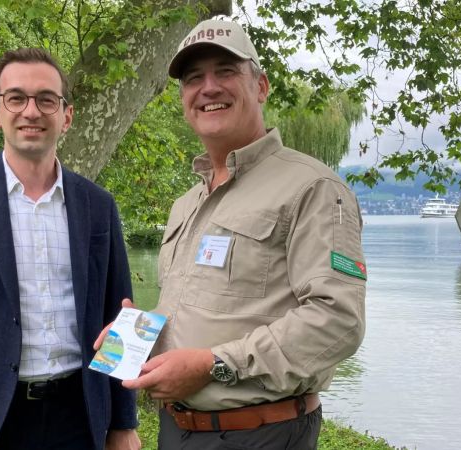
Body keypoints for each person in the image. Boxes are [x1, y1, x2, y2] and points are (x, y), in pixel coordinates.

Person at [116, 19, 367, 449]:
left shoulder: (313, 188)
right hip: (177, 432)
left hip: (260, 434)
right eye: (194, 78)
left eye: (225, 71)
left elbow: (338, 320)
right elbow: (203, 313)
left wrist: (211, 365)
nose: (208, 87)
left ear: (261, 86)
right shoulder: (184, 205)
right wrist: (136, 335)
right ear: (183, 99)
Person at [0, 48, 140, 450]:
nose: (31, 111)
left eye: (46, 99)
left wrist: (123, 422)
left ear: (66, 116)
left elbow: (119, 317)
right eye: (16, 98)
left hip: (80, 417)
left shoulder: (98, 204)